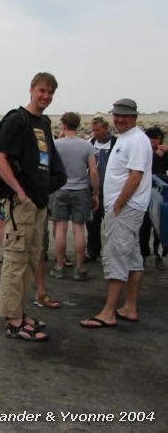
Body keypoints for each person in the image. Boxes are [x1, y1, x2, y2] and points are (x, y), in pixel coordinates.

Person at [0, 72, 66, 341]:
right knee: (15, 260)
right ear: (31, 90)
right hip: (21, 205)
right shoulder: (17, 119)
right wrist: (20, 192)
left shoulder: (43, 122)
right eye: (42, 91)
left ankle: (20, 312)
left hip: (38, 204)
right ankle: (13, 320)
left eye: (50, 92)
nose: (45, 96)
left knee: (31, 259)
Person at [80, 99, 152, 328]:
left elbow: (135, 176)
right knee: (132, 257)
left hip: (125, 209)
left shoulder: (138, 140)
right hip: (123, 208)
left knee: (116, 255)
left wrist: (118, 205)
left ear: (135, 117)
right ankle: (130, 307)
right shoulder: (126, 138)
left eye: (125, 116)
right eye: (117, 115)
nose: (120, 119)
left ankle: (108, 312)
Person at [49, 112, 100, 281]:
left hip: (60, 189)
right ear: (78, 125)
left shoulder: (55, 144)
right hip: (80, 190)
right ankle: (79, 268)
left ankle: (59, 266)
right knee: (79, 229)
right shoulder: (87, 146)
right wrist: (96, 193)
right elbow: (93, 172)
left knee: (60, 228)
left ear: (63, 124)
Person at [85, 117, 117, 262]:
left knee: (111, 222)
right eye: (93, 130)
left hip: (111, 189)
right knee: (92, 223)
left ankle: (113, 252)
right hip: (92, 188)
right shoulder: (90, 143)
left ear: (105, 128)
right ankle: (93, 251)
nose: (95, 133)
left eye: (97, 130)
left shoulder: (116, 143)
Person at [138, 127, 168, 270]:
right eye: (152, 139)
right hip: (144, 192)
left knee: (160, 227)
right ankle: (142, 255)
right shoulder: (143, 151)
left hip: (160, 192)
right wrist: (154, 154)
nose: (155, 142)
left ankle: (159, 255)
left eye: (158, 139)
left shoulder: (164, 152)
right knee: (144, 227)